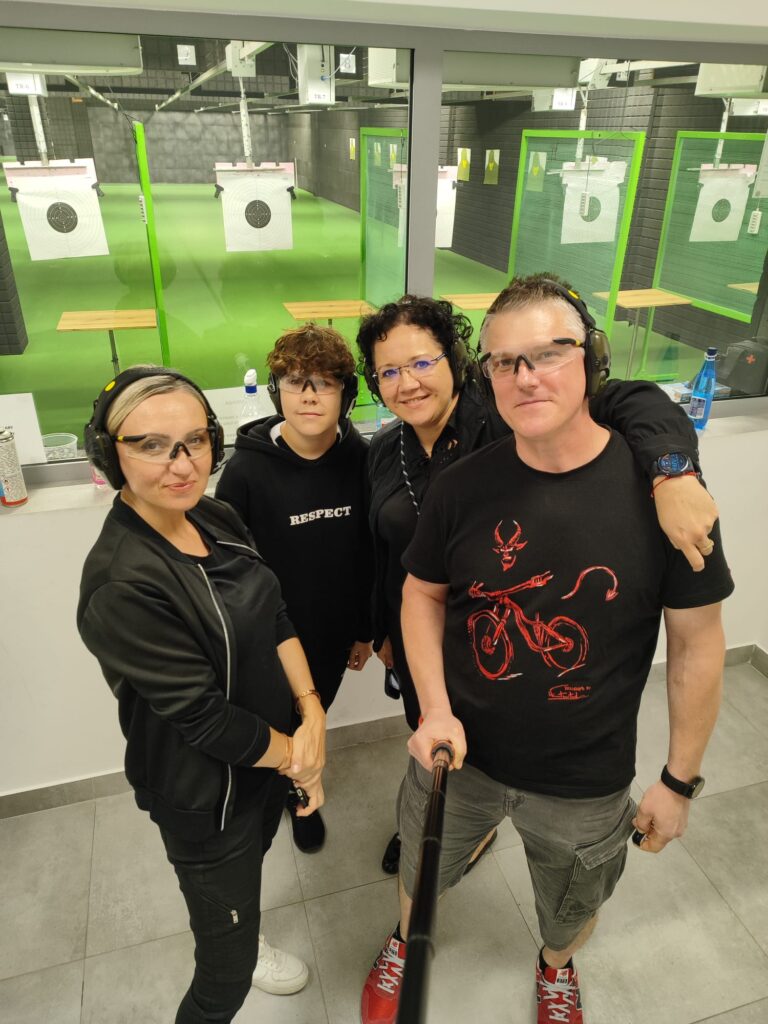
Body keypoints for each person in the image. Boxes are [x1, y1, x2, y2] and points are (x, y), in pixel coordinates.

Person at [360, 276, 734, 1024]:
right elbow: (422, 593)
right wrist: (433, 711)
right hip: (459, 757)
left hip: (585, 780)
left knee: (570, 906)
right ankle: (405, 940)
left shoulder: (668, 498)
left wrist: (677, 782)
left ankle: (556, 968)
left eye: (549, 353)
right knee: (422, 870)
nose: (526, 376)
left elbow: (697, 644)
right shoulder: (461, 485)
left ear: (591, 357)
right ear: (487, 375)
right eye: (505, 361)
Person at [77, 366, 326, 1024]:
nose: (182, 464)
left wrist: (311, 711)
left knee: (252, 870)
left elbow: (273, 614)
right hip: (206, 798)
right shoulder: (121, 583)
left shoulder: (211, 513)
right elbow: (207, 720)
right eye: (151, 445)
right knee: (224, 980)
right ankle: (238, 945)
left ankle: (243, 926)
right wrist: (301, 758)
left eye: (194, 440)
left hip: (266, 760)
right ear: (110, 454)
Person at [216, 324, 373, 853]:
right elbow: (228, 573)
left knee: (314, 715)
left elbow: (369, 555)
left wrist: (365, 630)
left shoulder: (363, 462)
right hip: (268, 641)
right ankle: (290, 788)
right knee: (277, 726)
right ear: (275, 391)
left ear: (346, 395)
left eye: (324, 382)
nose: (308, 395)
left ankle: (300, 790)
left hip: (332, 637)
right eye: (295, 381)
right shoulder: (244, 472)